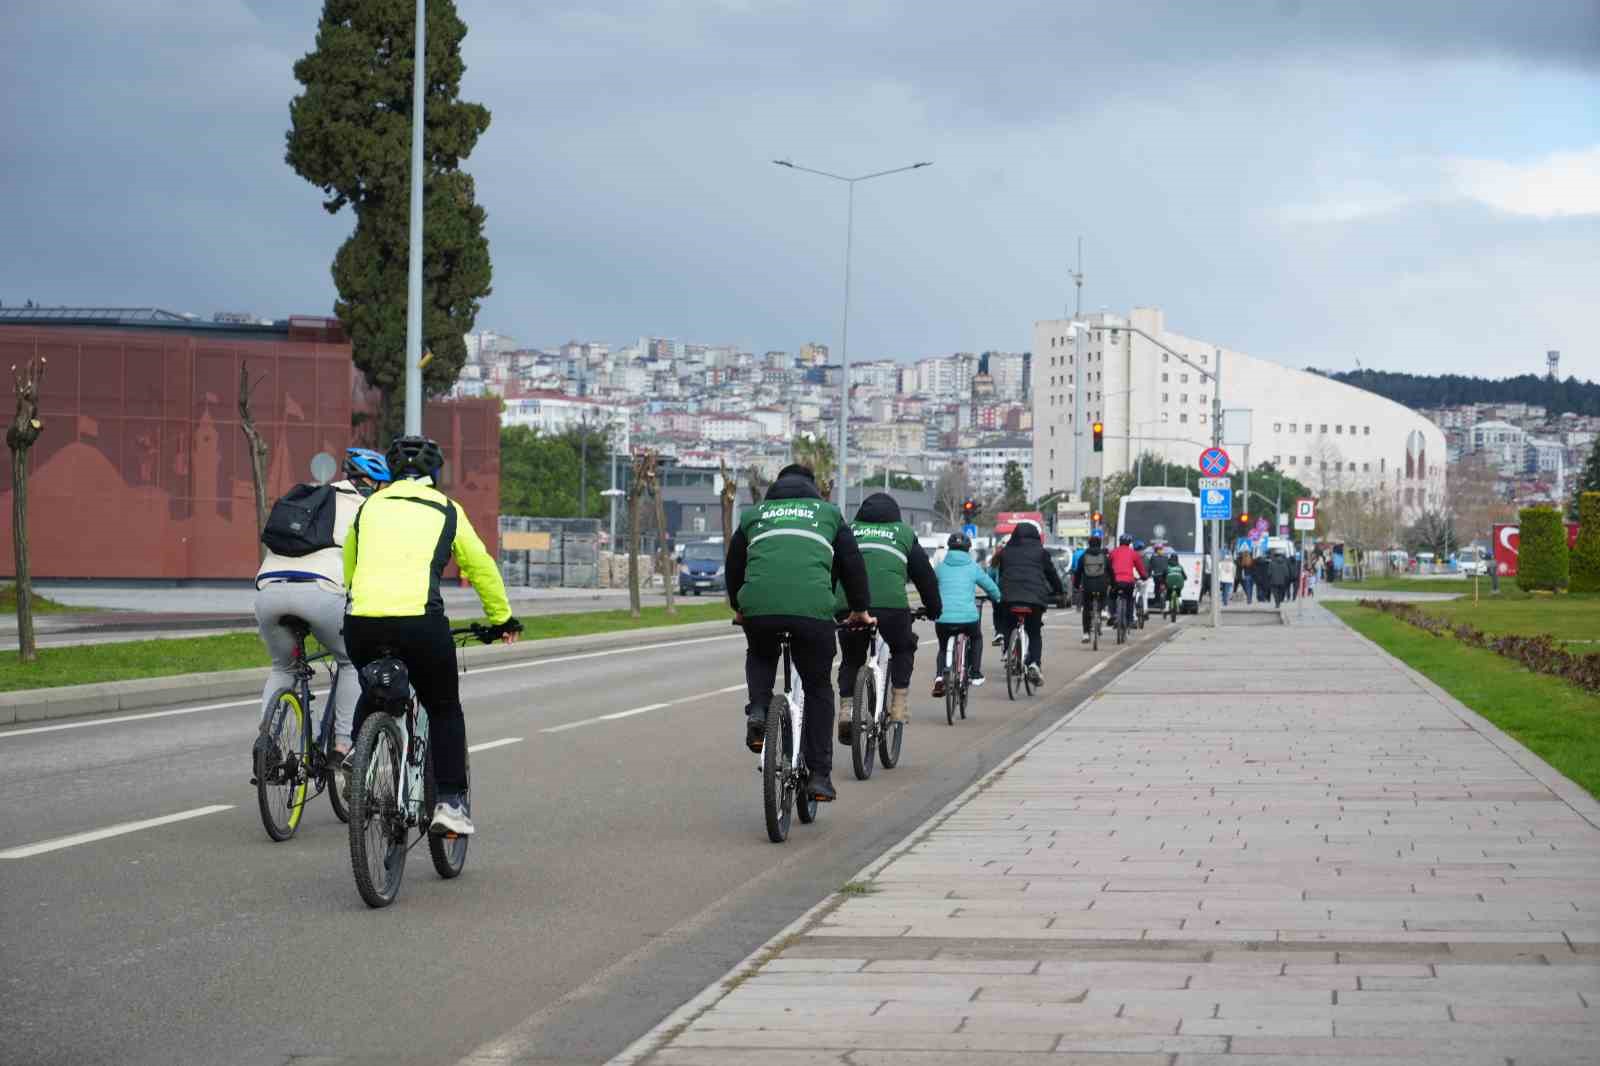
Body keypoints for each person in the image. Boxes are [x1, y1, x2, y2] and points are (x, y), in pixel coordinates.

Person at [343, 436, 523, 837]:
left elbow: (350, 563)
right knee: (443, 707)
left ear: (391, 472)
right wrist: (502, 619)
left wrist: (361, 602)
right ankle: (451, 803)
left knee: (375, 683)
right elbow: (480, 567)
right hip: (420, 623)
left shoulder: (369, 507)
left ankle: (359, 751)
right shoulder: (446, 509)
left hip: (362, 621)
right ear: (435, 473)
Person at [726, 464, 871, 803]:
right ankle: (819, 777)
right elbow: (852, 565)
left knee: (761, 652)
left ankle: (759, 710)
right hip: (812, 613)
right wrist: (859, 608)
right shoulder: (829, 514)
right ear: (813, 489)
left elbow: (734, 565)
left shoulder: (754, 515)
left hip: (759, 608)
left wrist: (739, 605)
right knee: (818, 687)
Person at [255, 447, 389, 778]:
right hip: (321, 591)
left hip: (269, 590)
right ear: (373, 482)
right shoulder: (367, 508)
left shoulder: (308, 499)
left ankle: (266, 741)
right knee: (350, 661)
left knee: (283, 667)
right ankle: (342, 746)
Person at [835, 492, 942, 737]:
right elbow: (924, 576)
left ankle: (847, 709)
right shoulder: (903, 533)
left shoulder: (849, 530)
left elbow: (833, 570)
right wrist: (933, 608)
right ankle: (899, 705)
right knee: (903, 646)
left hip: (849, 605)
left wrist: (832, 606)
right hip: (891, 608)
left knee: (851, 658)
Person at [992, 521, 1063, 684]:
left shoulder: (1006, 552)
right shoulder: (1041, 552)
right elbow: (1051, 574)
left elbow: (1002, 575)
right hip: (1034, 598)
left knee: (1009, 625)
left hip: (1009, 596)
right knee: (1034, 632)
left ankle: (1008, 651)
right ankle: (1034, 664)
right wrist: (1059, 591)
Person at [930, 532, 999, 697]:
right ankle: (975, 673)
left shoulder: (940, 568)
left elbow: (929, 586)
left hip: (943, 618)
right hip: (968, 619)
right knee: (976, 638)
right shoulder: (973, 567)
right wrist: (997, 597)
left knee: (943, 647)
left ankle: (939, 677)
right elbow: (990, 586)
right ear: (968, 549)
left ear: (949, 548)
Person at [1070, 533, 1111, 643]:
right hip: (1101, 585)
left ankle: (1086, 634)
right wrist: (1112, 583)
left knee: (1086, 609)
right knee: (1103, 596)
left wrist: (1076, 585)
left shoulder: (1083, 556)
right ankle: (1103, 610)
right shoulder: (1104, 557)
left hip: (1088, 586)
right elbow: (1110, 571)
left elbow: (1078, 573)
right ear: (1100, 544)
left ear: (1089, 544)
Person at [1107, 533, 1148, 633]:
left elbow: (1108, 566)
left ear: (1120, 542)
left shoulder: (1113, 552)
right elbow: (1140, 568)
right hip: (1129, 581)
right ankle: (1130, 620)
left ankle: (1113, 614)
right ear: (1129, 543)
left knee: (1112, 596)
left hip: (1116, 581)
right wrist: (1144, 576)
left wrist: (1108, 578)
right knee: (1130, 599)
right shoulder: (1133, 553)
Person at [1163, 548, 1187, 616]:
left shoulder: (1167, 566)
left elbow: (1164, 575)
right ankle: (1180, 602)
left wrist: (1163, 581)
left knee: (1168, 595)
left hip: (1169, 583)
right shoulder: (1180, 567)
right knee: (1178, 593)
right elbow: (1185, 577)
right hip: (1179, 583)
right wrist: (1184, 578)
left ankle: (1166, 608)